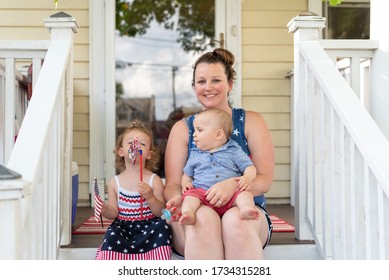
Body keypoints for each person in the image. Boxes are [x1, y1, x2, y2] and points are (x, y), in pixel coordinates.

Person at [164, 48, 274, 259]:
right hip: (197, 206)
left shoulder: (252, 121)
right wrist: (181, 200)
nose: (208, 88)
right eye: (201, 81)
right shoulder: (183, 128)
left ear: (230, 84)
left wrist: (233, 185)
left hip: (243, 209)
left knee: (236, 221)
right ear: (194, 86)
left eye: (216, 80)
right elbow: (172, 184)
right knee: (202, 219)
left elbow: (265, 179)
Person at [95, 120, 172, 260]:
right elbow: (113, 212)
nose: (135, 147)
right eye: (130, 143)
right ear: (121, 151)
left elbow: (161, 211)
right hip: (124, 229)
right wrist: (104, 209)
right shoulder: (115, 182)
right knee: (112, 235)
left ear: (149, 154)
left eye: (141, 144)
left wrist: (150, 197)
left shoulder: (153, 180)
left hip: (149, 227)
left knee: (162, 227)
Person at [180, 108, 261, 225]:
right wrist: (185, 184)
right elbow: (187, 175)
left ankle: (245, 209)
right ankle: (188, 213)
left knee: (244, 194)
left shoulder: (233, 150)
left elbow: (250, 168)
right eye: (194, 130)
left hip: (231, 196)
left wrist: (247, 178)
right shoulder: (195, 154)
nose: (194, 134)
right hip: (202, 195)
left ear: (218, 134)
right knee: (190, 197)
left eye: (199, 130)